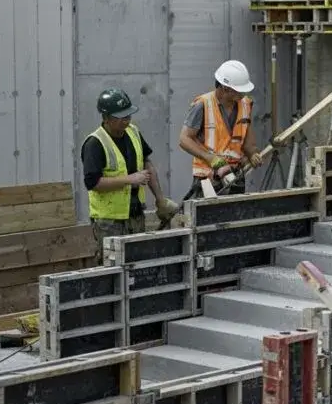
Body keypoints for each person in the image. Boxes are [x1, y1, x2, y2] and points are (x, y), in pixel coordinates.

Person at [81, 88, 177, 263]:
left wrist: (160, 200)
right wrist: (129, 180)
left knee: (137, 264)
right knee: (113, 266)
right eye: (121, 117)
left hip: (135, 216)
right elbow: (93, 183)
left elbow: (147, 163)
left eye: (128, 115)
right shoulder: (94, 143)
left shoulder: (133, 132)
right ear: (106, 118)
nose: (126, 120)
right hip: (110, 222)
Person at [179, 59, 263, 196]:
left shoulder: (245, 105)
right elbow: (184, 139)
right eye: (239, 91)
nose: (243, 94)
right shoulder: (203, 104)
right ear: (225, 88)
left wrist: (252, 154)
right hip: (208, 178)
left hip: (235, 176)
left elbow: (248, 142)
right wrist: (210, 158)